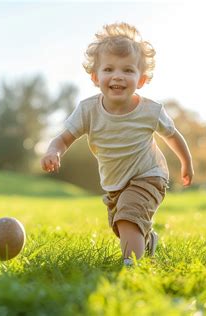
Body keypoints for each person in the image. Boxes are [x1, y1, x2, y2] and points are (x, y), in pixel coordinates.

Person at [41, 22, 194, 266]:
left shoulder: (150, 111)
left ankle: (130, 268)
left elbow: (173, 136)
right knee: (121, 225)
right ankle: (147, 241)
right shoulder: (88, 110)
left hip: (149, 175)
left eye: (128, 70)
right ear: (95, 77)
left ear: (141, 79)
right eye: (109, 69)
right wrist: (53, 151)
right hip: (115, 183)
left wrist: (186, 163)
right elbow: (63, 138)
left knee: (129, 217)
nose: (118, 76)